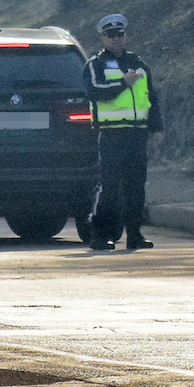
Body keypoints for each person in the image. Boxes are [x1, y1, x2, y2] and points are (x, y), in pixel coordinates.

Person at [83, 14, 163, 251]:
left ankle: (134, 234)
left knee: (136, 186)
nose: (116, 40)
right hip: (111, 134)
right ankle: (101, 235)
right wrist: (122, 83)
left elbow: (151, 97)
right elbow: (94, 91)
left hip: (137, 133)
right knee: (109, 186)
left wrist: (157, 129)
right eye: (111, 36)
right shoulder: (95, 64)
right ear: (103, 38)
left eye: (120, 35)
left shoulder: (138, 63)